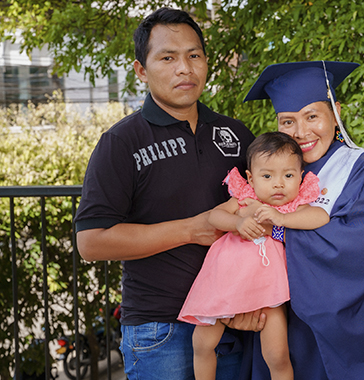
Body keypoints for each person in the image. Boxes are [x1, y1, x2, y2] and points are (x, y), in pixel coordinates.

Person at [74, 8, 258, 380]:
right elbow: (91, 242)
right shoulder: (121, 142)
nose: (184, 68)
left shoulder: (236, 135)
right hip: (162, 329)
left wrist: (258, 298)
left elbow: (266, 215)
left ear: (206, 62)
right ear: (142, 70)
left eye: (194, 55)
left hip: (234, 322)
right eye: (167, 57)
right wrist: (193, 229)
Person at [242, 61, 364, 379]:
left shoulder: (362, 168)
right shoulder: (275, 175)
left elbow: (354, 244)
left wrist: (275, 230)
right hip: (285, 326)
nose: (301, 132)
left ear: (336, 114)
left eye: (312, 116)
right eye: (288, 121)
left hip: (356, 328)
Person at [179, 132, 330, 380]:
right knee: (202, 343)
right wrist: (237, 222)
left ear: (301, 177)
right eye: (267, 176)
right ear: (251, 178)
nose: (278, 184)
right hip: (224, 284)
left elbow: (320, 217)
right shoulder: (244, 198)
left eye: (288, 175)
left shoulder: (292, 206)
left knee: (278, 355)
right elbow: (214, 216)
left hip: (268, 292)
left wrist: (282, 218)